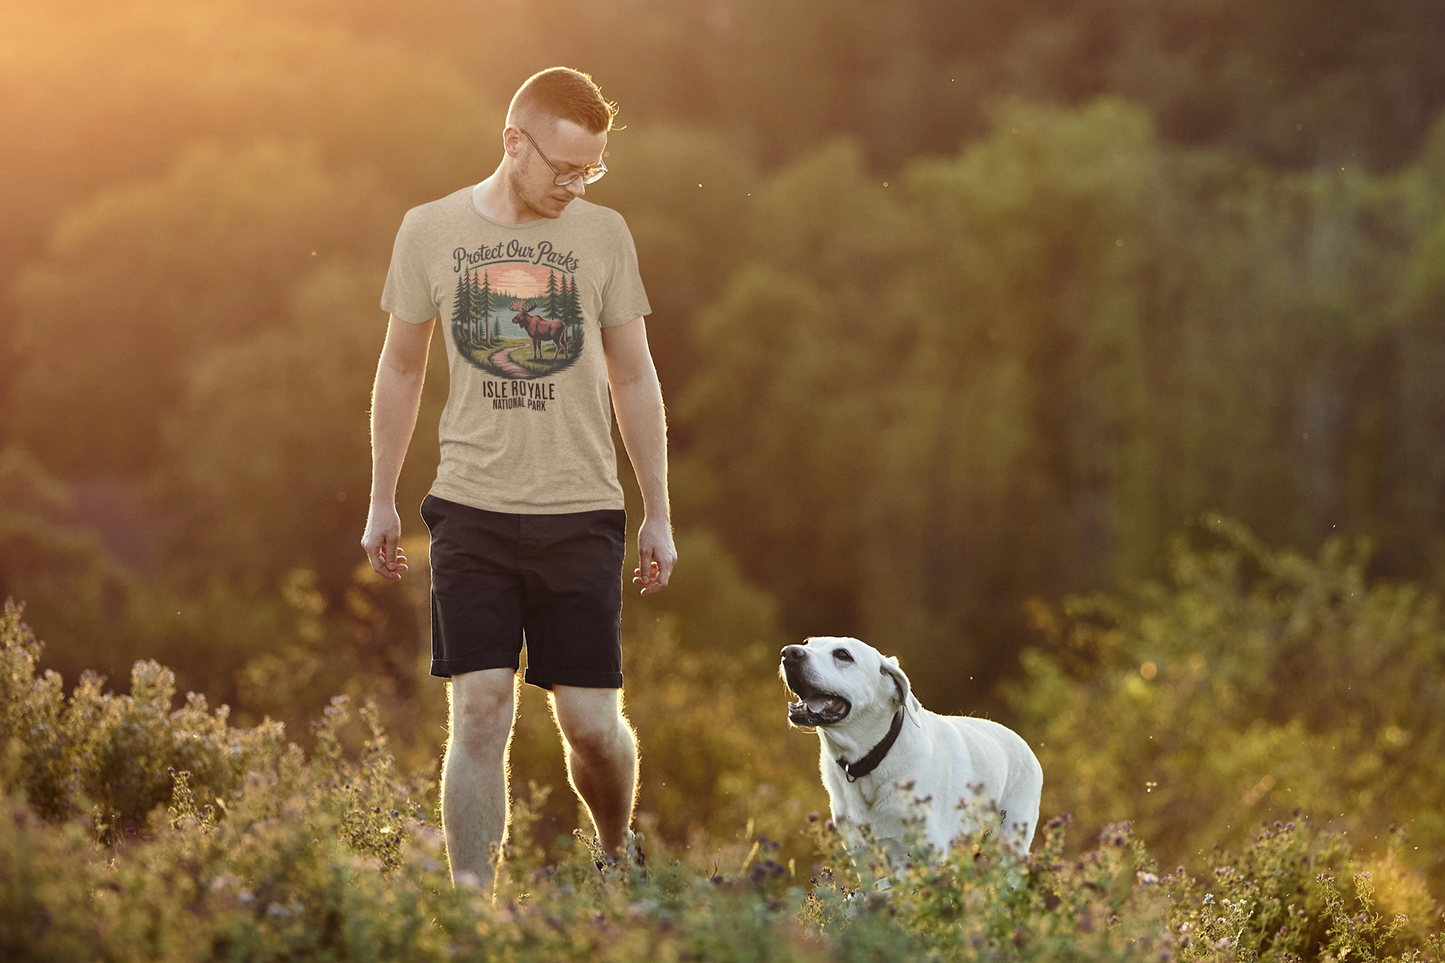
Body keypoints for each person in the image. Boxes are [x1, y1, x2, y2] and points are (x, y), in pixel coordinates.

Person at [361, 67, 676, 892]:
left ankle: (616, 855)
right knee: (480, 709)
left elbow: (635, 378)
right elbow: (398, 367)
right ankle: (472, 909)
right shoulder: (428, 230)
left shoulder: (604, 236)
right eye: (563, 168)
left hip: (581, 511)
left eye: (590, 171)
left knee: (591, 727)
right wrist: (381, 498)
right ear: (514, 142)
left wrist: (657, 513)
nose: (575, 186)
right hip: (470, 508)